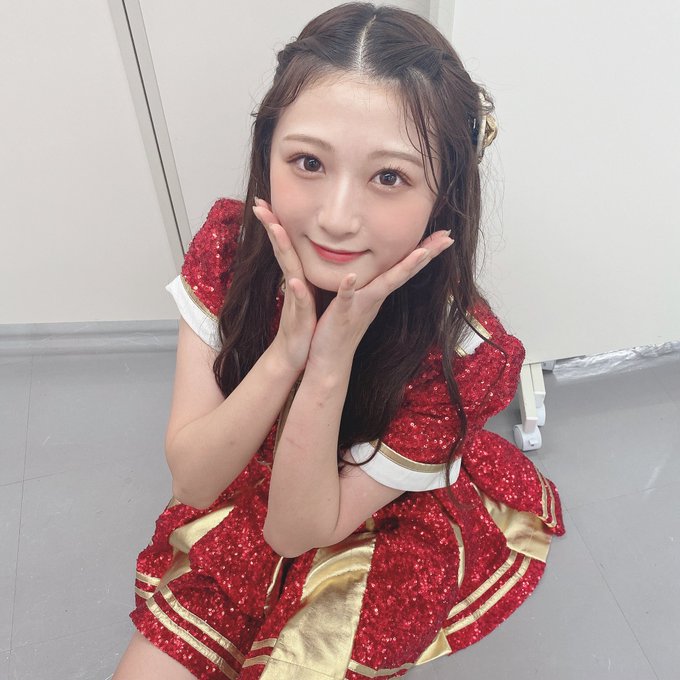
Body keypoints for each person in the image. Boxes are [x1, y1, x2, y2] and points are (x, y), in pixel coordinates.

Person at [113, 3, 564, 679]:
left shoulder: (465, 352)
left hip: (374, 523)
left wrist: (329, 362)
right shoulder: (232, 251)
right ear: (266, 151)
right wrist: (286, 352)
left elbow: (298, 530)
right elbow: (195, 480)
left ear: (443, 194)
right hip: (249, 488)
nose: (337, 218)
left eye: (389, 177)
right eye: (307, 162)